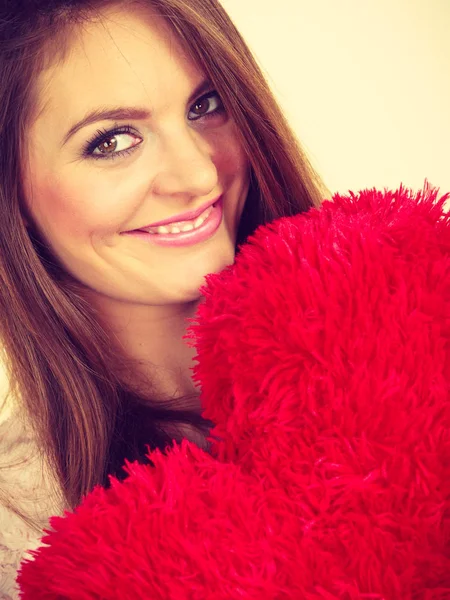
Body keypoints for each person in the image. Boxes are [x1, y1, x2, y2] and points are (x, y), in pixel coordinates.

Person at [0, 0, 329, 596]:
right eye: (113, 141)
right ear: (12, 194)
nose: (199, 174)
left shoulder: (403, 336)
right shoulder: (15, 524)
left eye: (206, 105)